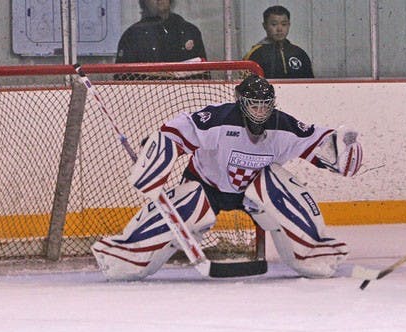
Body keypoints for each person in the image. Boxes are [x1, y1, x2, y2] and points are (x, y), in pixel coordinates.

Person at [91, 74, 363, 281]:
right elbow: (176, 131)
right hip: (207, 186)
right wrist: (157, 156)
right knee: (188, 204)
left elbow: (319, 141)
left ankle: (312, 253)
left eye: (265, 106)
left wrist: (343, 148)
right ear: (241, 102)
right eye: (254, 106)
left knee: (277, 186)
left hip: (254, 192)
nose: (260, 112)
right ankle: (128, 255)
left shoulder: (284, 126)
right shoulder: (217, 119)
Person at [115, 0, 207, 79]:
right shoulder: (132, 36)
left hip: (187, 96)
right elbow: (122, 78)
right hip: (145, 96)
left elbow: (204, 75)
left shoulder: (189, 31)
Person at [242, 5, 314, 79]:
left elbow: (311, 84)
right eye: (274, 24)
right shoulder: (255, 54)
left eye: (284, 24)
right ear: (265, 26)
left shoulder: (299, 53)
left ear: (289, 25)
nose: (279, 29)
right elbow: (245, 84)